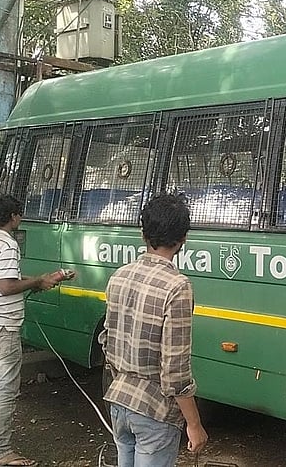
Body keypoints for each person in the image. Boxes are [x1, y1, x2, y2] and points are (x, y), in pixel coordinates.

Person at [99, 193, 208, 467]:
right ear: (183, 239)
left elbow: (107, 340)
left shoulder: (119, 276)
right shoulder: (178, 286)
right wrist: (194, 425)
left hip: (119, 402)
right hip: (154, 412)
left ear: (142, 234)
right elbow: (175, 372)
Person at [0, 193, 61, 467]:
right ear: (13, 217)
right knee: (7, 388)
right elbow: (6, 286)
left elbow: (0, 279)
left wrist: (38, 280)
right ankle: (1, 452)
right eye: (19, 214)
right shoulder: (8, 245)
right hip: (3, 326)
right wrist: (35, 283)